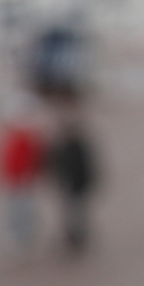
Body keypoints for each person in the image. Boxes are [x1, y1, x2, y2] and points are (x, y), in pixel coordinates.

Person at [44, 104, 101, 255]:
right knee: (69, 213)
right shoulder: (64, 145)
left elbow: (85, 167)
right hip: (69, 186)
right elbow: (53, 163)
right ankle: (71, 239)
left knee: (75, 213)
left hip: (76, 186)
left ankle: (76, 239)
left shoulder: (75, 145)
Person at [0, 97, 44, 255]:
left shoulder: (24, 138)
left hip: (20, 182)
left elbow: (26, 161)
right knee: (19, 211)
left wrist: (22, 178)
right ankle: (22, 238)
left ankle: (19, 240)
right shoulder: (22, 137)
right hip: (17, 181)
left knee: (19, 213)